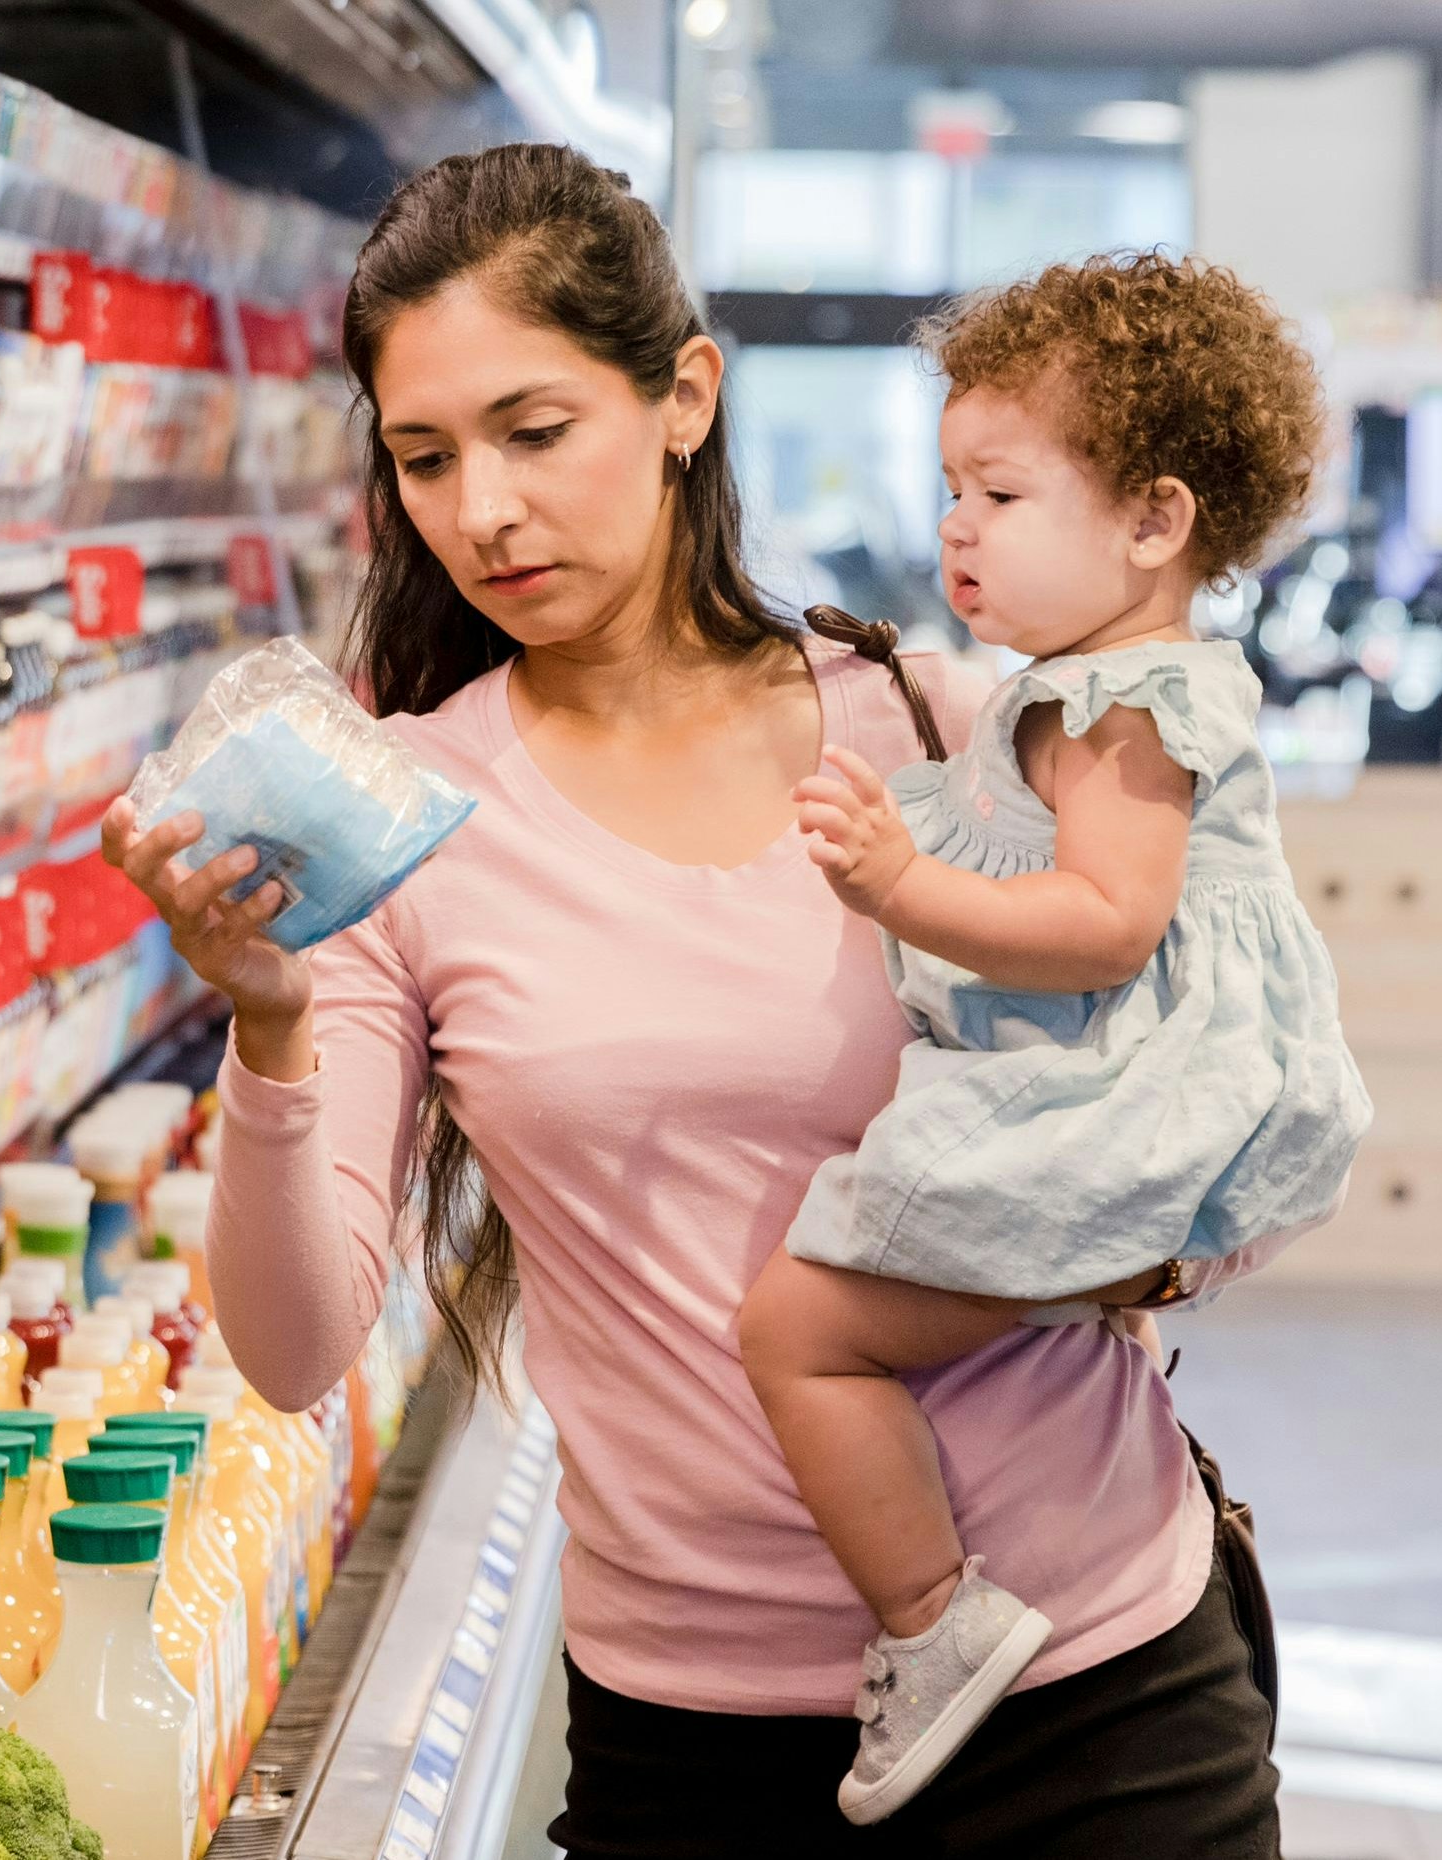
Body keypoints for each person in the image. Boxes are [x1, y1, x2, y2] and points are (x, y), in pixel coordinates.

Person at [102, 145, 1296, 1856]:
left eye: (534, 432)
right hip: (696, 1735)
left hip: (1096, 1690)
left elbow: (1235, 1093)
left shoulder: (948, 724)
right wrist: (268, 1024)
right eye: (424, 458)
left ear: (682, 399)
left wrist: (1130, 1236)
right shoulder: (401, 824)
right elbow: (293, 1353)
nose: (484, 512)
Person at [737, 255, 1370, 1823]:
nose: (955, 526)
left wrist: (902, 881)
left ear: (1153, 522)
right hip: (1131, 1083)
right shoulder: (1075, 684)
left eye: (1000, 493)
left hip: (1136, 1091)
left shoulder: (1128, 706)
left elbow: (1106, 923)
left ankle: (931, 1617)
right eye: (950, 487)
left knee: (799, 1330)